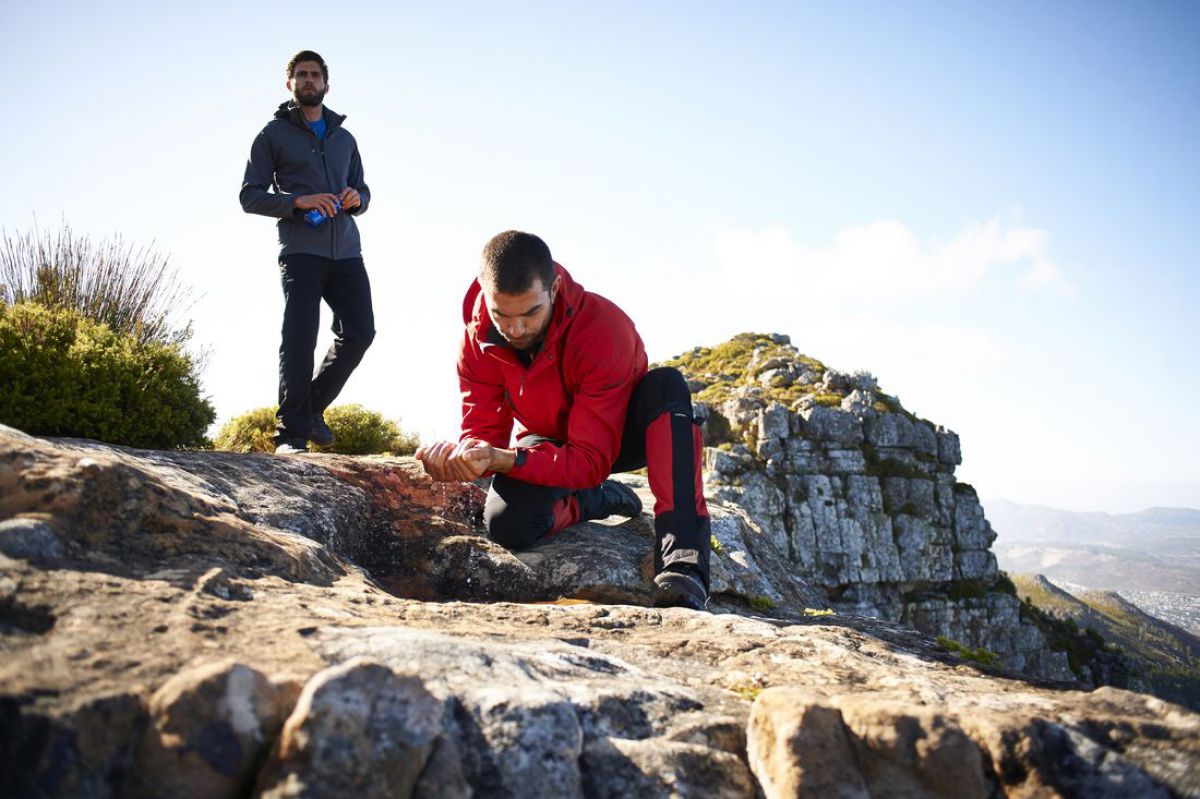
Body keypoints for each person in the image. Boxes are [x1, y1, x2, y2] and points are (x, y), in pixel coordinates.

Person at [416, 231, 711, 610]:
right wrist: (462, 460)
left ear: (554, 289)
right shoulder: (476, 342)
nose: (516, 329)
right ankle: (595, 500)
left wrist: (508, 459)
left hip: (618, 436)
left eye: (530, 313)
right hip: (548, 440)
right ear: (485, 295)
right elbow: (483, 435)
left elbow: (592, 460)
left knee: (667, 386)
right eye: (501, 314)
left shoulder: (605, 329)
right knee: (506, 524)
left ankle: (684, 567)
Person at [240, 49, 375, 454]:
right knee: (299, 338)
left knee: (360, 332)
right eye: (302, 75)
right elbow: (249, 196)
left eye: (315, 75)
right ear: (290, 84)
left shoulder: (345, 138)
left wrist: (356, 198)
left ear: (326, 85)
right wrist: (297, 202)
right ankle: (291, 436)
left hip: (347, 251)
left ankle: (312, 407)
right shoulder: (272, 135)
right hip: (301, 250)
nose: (309, 80)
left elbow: (364, 191)